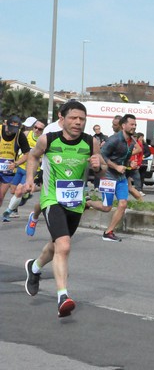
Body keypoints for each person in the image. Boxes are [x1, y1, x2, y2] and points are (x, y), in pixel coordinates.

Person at [23, 100, 106, 317]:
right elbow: (32, 156)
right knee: (65, 245)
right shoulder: (48, 139)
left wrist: (99, 166)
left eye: (82, 119)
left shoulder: (91, 143)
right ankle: (63, 297)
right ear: (62, 119)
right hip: (52, 199)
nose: (78, 122)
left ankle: (34, 267)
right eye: (73, 118)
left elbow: (102, 170)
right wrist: (30, 178)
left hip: (76, 202)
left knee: (57, 245)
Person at [87, 114, 138, 242]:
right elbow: (102, 156)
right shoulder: (114, 139)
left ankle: (108, 232)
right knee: (107, 207)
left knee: (123, 204)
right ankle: (87, 203)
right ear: (123, 125)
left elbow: (125, 159)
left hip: (121, 178)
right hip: (108, 177)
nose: (134, 127)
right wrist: (115, 167)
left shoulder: (132, 142)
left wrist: (129, 164)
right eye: (131, 124)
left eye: (135, 125)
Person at [26, 112, 65, 237]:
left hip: (67, 171)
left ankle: (60, 233)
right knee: (46, 199)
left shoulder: (76, 130)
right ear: (61, 115)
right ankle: (35, 217)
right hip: (49, 170)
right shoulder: (51, 128)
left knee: (61, 201)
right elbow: (37, 152)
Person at [2, 118, 45, 221]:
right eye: (35, 127)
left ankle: (8, 212)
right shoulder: (26, 134)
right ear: (33, 127)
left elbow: (44, 158)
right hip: (20, 167)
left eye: (40, 129)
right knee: (13, 190)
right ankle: (18, 205)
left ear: (43, 130)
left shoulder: (43, 140)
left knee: (19, 190)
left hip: (31, 169)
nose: (37, 130)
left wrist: (36, 158)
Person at [1, 116, 31, 212]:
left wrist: (16, 163)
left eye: (14, 130)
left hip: (8, 170)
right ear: (6, 124)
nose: (11, 132)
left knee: (1, 196)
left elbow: (27, 154)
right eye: (10, 129)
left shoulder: (19, 135)